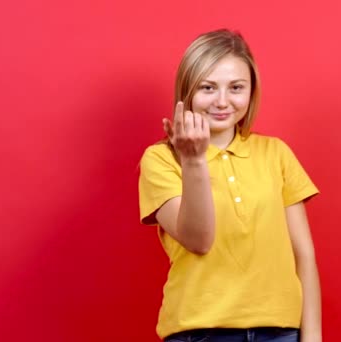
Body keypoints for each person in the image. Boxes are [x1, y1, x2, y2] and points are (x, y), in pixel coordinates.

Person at [138, 28, 322, 342]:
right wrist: (193, 160)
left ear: (252, 92)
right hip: (201, 332)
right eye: (208, 88)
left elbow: (303, 254)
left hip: (280, 333)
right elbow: (199, 240)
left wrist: (313, 337)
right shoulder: (161, 159)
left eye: (236, 87)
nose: (222, 101)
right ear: (188, 91)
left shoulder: (275, 153)